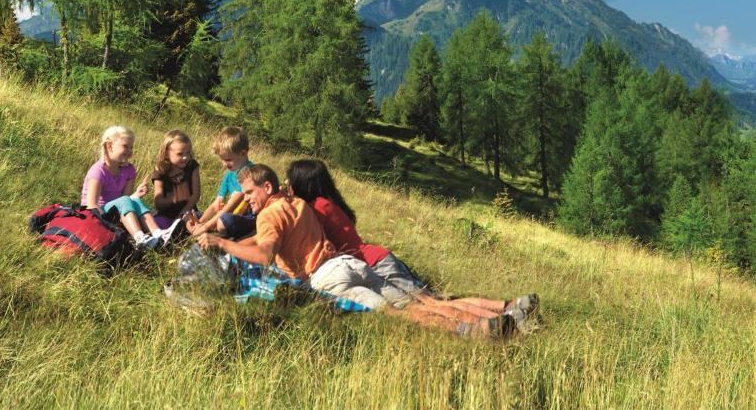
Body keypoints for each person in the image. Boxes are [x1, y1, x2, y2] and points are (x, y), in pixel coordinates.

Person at [197, 164, 514, 338]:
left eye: (250, 193)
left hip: (329, 279)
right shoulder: (296, 203)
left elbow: (266, 253)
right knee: (420, 300)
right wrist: (235, 241)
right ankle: (487, 320)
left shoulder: (268, 214)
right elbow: (274, 239)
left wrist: (222, 243)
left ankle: (472, 333)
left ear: (267, 188)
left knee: (403, 314)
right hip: (348, 263)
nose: (247, 200)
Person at [285, 158, 538, 330]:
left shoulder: (315, 208)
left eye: (291, 181)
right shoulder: (329, 203)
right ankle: (508, 309)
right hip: (378, 258)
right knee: (435, 300)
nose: (288, 186)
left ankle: (504, 319)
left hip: (373, 264)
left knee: (432, 304)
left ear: (302, 184)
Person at [81, 125, 169, 250]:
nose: (129, 151)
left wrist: (136, 195)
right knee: (126, 201)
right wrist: (108, 224)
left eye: (131, 147)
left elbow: (126, 198)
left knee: (135, 200)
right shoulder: (98, 171)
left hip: (117, 210)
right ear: (109, 146)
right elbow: (91, 205)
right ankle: (140, 238)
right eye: (125, 146)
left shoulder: (129, 170)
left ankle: (158, 233)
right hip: (98, 213)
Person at [188, 126, 255, 239]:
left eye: (228, 160)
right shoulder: (229, 174)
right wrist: (200, 222)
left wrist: (205, 227)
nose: (224, 164)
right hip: (230, 215)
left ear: (243, 153)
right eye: (222, 160)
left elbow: (230, 206)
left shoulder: (250, 173)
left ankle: (216, 235)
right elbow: (216, 205)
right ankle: (204, 229)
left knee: (223, 222)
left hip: (248, 218)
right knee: (189, 215)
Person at [150, 129, 200, 231]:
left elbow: (195, 195)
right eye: (180, 154)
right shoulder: (161, 170)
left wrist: (183, 214)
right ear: (167, 153)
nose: (185, 157)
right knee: (157, 224)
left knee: (191, 223)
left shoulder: (192, 166)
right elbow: (158, 203)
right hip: (166, 214)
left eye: (188, 153)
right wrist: (173, 198)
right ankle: (169, 234)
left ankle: (184, 231)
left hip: (187, 211)